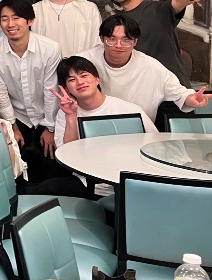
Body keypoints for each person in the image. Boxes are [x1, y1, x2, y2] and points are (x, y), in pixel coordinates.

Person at [38, 56, 158, 199]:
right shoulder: (65, 112)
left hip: (128, 182)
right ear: (66, 88)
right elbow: (69, 156)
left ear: (97, 79)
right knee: (45, 189)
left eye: (84, 75)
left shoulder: (128, 110)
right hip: (87, 182)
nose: (80, 82)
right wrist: (71, 116)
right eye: (72, 80)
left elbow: (155, 145)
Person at [0, 0, 62, 182]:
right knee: (16, 172)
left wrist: (50, 128)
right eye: (4, 19)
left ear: (30, 21)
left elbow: (51, 92)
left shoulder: (50, 49)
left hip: (46, 116)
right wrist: (12, 127)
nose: (10, 24)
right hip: (16, 116)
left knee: (51, 170)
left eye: (16, 18)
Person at [80, 16, 209, 124]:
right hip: (93, 128)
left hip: (139, 133)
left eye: (126, 40)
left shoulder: (150, 66)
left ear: (135, 42)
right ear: (102, 39)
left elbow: (178, 92)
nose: (118, 45)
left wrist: (191, 98)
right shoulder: (83, 62)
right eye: (112, 39)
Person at [103, 0, 204, 86]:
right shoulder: (114, 22)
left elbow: (177, 2)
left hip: (171, 89)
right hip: (138, 89)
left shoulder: (158, 9)